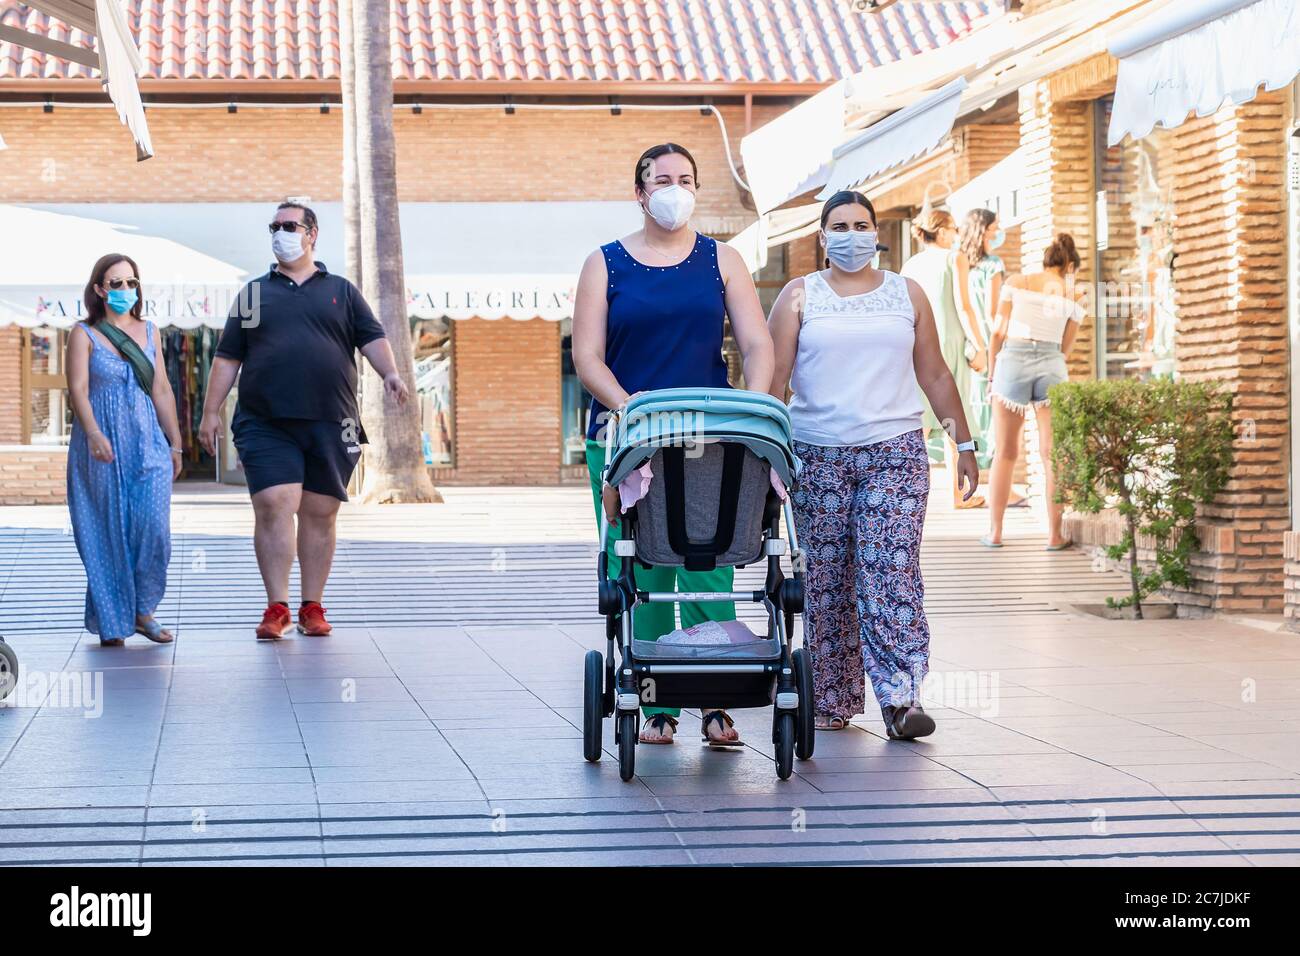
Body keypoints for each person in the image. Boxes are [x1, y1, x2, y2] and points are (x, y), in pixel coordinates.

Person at [572, 142, 775, 746]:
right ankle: (656, 703)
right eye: (662, 180)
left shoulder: (723, 260)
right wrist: (629, 407)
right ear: (640, 193)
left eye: (685, 179)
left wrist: (753, 410)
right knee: (645, 567)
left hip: (708, 439)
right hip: (626, 434)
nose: (675, 189)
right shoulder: (604, 264)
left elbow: (757, 345)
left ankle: (715, 699)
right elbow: (587, 357)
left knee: (707, 565)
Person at [768, 190, 979, 741]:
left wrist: (963, 442)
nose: (851, 235)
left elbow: (935, 374)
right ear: (822, 237)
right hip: (816, 455)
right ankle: (832, 697)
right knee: (828, 578)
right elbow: (773, 379)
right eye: (839, 226)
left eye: (861, 225)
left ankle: (902, 698)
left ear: (877, 234)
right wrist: (762, 454)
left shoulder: (906, 293)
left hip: (895, 453)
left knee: (891, 570)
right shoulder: (799, 295)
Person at [198, 202, 410, 640]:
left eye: (289, 226)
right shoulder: (254, 295)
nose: (280, 233)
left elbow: (372, 338)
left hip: (332, 420)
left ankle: (312, 605)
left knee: (320, 511)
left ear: (312, 234)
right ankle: (276, 607)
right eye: (274, 227)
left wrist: (390, 373)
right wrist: (209, 413)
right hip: (265, 420)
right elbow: (228, 356)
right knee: (275, 501)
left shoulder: (342, 292)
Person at [66, 253, 183, 646]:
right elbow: (78, 389)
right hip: (100, 444)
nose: (125, 289)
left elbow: (161, 389)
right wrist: (93, 433)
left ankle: (143, 608)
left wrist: (175, 443)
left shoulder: (150, 331)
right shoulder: (84, 334)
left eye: (131, 282)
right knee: (107, 531)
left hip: (147, 441)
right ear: (100, 290)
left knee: (154, 531)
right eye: (116, 283)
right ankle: (115, 620)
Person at [981, 233, 1085, 551]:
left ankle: (995, 532)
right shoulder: (1075, 294)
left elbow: (998, 332)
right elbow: (1065, 347)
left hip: (1013, 360)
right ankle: (1054, 535)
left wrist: (992, 376)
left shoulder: (1018, 281)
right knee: (1052, 454)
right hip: (1051, 364)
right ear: (1070, 266)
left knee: (1006, 452)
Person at [899, 207, 984, 509]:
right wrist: (980, 345)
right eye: (955, 229)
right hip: (948, 340)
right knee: (953, 415)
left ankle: (906, 493)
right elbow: (964, 306)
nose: (957, 235)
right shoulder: (954, 258)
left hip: (916, 341)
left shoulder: (910, 264)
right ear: (944, 231)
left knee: (919, 420)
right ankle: (959, 495)